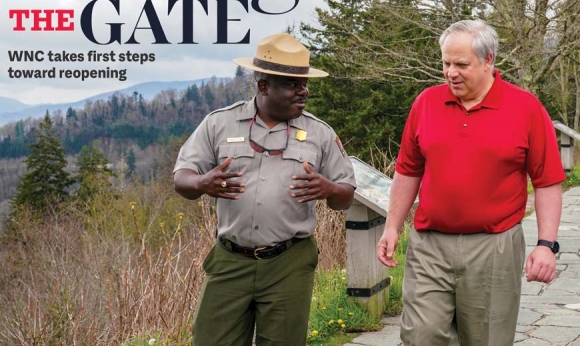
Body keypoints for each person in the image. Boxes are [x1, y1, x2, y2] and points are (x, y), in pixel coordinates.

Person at [377, 19, 565, 346]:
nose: (451, 72)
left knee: (487, 339)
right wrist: (392, 225)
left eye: (461, 64)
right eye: (446, 63)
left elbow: (547, 181)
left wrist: (546, 245)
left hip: (494, 246)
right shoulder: (426, 103)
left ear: (488, 60)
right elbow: (408, 170)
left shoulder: (526, 108)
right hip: (429, 244)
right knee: (420, 337)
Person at [174, 32, 356, 346]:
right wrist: (202, 183)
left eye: (304, 84)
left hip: (289, 262)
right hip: (230, 261)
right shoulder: (220, 123)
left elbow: (346, 195)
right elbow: (182, 179)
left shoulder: (320, 133)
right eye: (293, 85)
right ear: (263, 86)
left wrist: (328, 189)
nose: (303, 92)